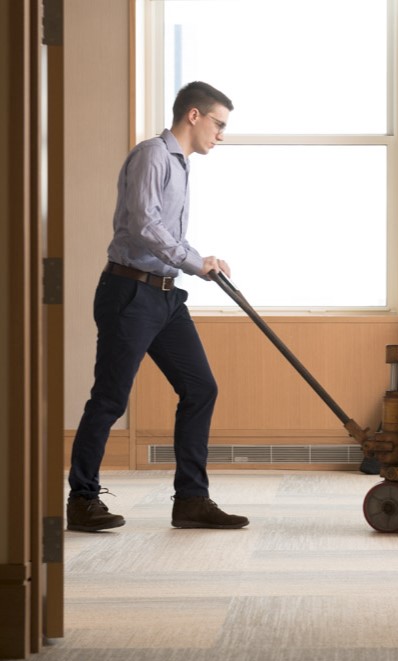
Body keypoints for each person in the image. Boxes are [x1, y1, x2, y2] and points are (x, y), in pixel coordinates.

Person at [67, 81, 248, 532]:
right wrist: (192, 260)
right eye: (218, 124)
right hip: (129, 293)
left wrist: (203, 260)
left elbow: (169, 234)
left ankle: (190, 500)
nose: (220, 135)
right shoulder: (152, 155)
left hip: (165, 295)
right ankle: (82, 500)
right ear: (193, 115)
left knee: (200, 388)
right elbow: (144, 223)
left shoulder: (182, 165)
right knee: (110, 398)